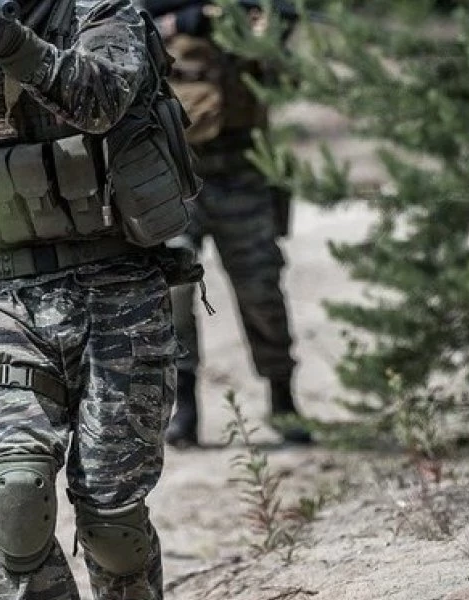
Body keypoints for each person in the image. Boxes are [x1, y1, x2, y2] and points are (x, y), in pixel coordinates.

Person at [0, 0, 199, 598]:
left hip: (120, 290)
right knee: (16, 499)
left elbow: (100, 102)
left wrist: (10, 43)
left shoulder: (101, 11)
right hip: (9, 299)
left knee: (112, 519)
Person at [144, 0, 310, 446]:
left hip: (243, 170)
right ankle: (184, 406)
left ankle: (282, 397)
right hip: (177, 173)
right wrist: (183, 21)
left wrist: (259, 26)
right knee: (174, 290)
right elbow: (122, 35)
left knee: (261, 288)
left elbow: (287, 56)